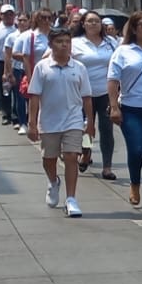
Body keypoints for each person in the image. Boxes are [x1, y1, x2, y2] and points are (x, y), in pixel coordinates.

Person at [25, 24, 94, 218]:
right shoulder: (42, 67)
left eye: (67, 42)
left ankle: (71, 199)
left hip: (73, 119)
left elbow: (87, 97)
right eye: (59, 42)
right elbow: (35, 96)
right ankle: (53, 181)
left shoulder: (79, 67)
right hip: (49, 121)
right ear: (51, 44)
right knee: (49, 159)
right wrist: (32, 124)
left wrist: (90, 122)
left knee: (71, 156)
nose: (64, 45)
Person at [109, 10, 142, 212]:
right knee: (137, 149)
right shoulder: (123, 51)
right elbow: (113, 80)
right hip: (131, 108)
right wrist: (114, 106)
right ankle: (134, 184)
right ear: (134, 28)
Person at [71, 10, 120, 181]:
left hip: (106, 92)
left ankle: (107, 167)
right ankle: (86, 152)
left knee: (107, 129)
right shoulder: (75, 43)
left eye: (97, 21)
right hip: (82, 93)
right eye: (90, 21)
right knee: (86, 128)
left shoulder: (111, 42)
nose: (94, 24)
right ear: (83, 24)